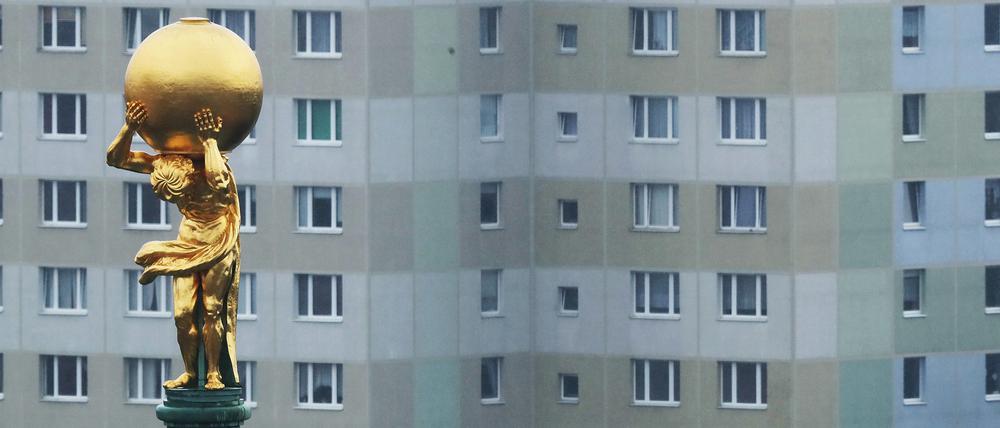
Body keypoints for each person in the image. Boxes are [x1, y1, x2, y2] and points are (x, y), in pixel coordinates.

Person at [107, 101, 241, 390]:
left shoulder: (209, 167)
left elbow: (219, 181)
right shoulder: (164, 163)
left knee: (212, 308)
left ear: (190, 178)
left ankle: (214, 373)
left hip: (217, 239)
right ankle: (191, 372)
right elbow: (116, 159)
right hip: (188, 239)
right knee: (182, 314)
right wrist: (129, 127)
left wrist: (210, 142)